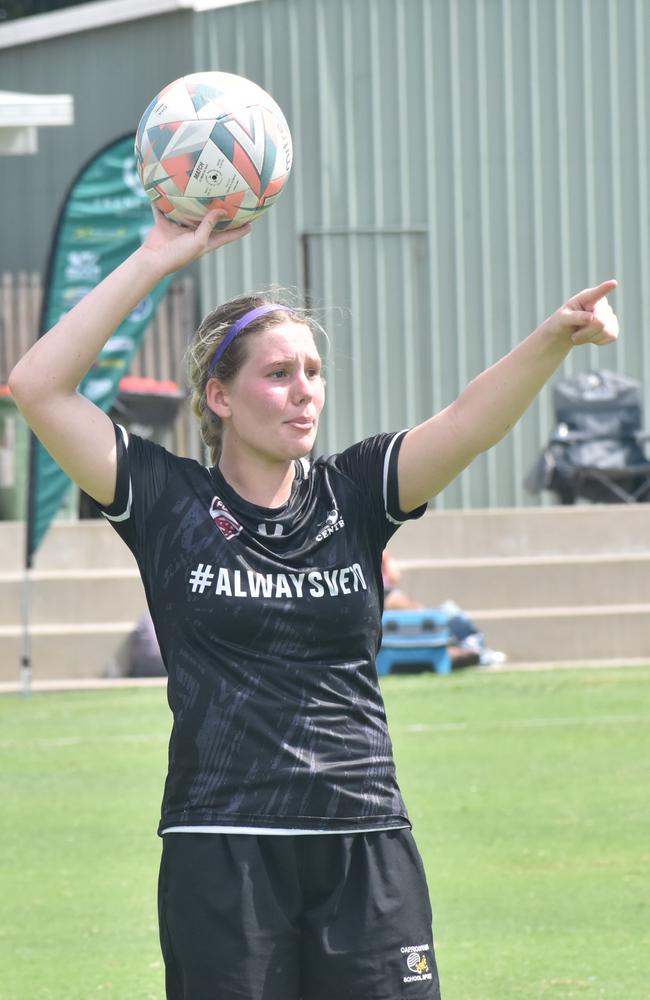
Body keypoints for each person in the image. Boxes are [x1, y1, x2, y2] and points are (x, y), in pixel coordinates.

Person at [8, 204, 619, 1000]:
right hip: (222, 841)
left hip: (364, 836)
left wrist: (552, 340)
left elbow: (469, 424)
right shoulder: (168, 502)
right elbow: (38, 387)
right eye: (278, 373)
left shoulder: (356, 492)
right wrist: (156, 259)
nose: (305, 392)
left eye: (313, 371)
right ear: (219, 397)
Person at [381, 551, 505, 668]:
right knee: (449, 610)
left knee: (447, 613)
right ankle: (478, 653)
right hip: (412, 627)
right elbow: (416, 610)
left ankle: (470, 651)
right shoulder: (388, 594)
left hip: (411, 627)